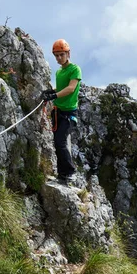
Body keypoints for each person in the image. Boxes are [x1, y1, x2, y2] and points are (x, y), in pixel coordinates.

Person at [41, 39, 82, 182]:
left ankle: (70, 172)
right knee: (57, 142)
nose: (59, 58)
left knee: (60, 141)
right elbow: (62, 87)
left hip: (69, 113)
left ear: (68, 53)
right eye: (56, 55)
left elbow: (71, 88)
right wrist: (50, 91)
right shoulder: (59, 72)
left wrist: (54, 95)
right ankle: (62, 174)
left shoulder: (75, 69)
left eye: (61, 55)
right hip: (58, 112)